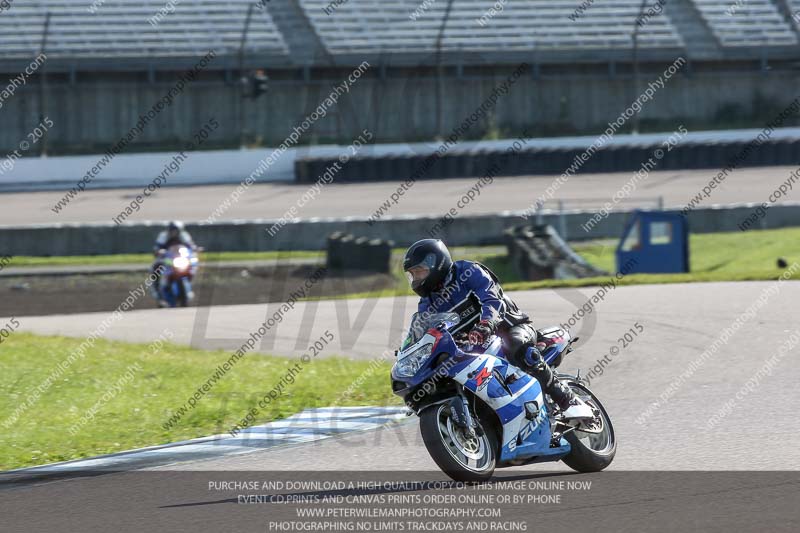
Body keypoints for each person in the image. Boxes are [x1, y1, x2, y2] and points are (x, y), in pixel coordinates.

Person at [403, 238, 593, 421]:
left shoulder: (468, 271)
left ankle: (567, 400)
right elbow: (427, 333)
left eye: (419, 272)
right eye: (413, 274)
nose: (416, 279)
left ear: (437, 263)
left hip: (508, 327)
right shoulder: (427, 303)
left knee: (516, 345)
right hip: (472, 347)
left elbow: (493, 300)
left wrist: (486, 324)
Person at [150, 221, 198, 303]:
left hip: (181, 258)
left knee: (193, 262)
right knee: (156, 267)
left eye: (176, 231)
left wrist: (194, 249)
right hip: (167, 259)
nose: (174, 233)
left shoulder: (184, 236)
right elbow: (157, 248)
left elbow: (190, 246)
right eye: (172, 231)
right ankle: (157, 291)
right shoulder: (163, 236)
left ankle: (188, 286)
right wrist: (158, 251)